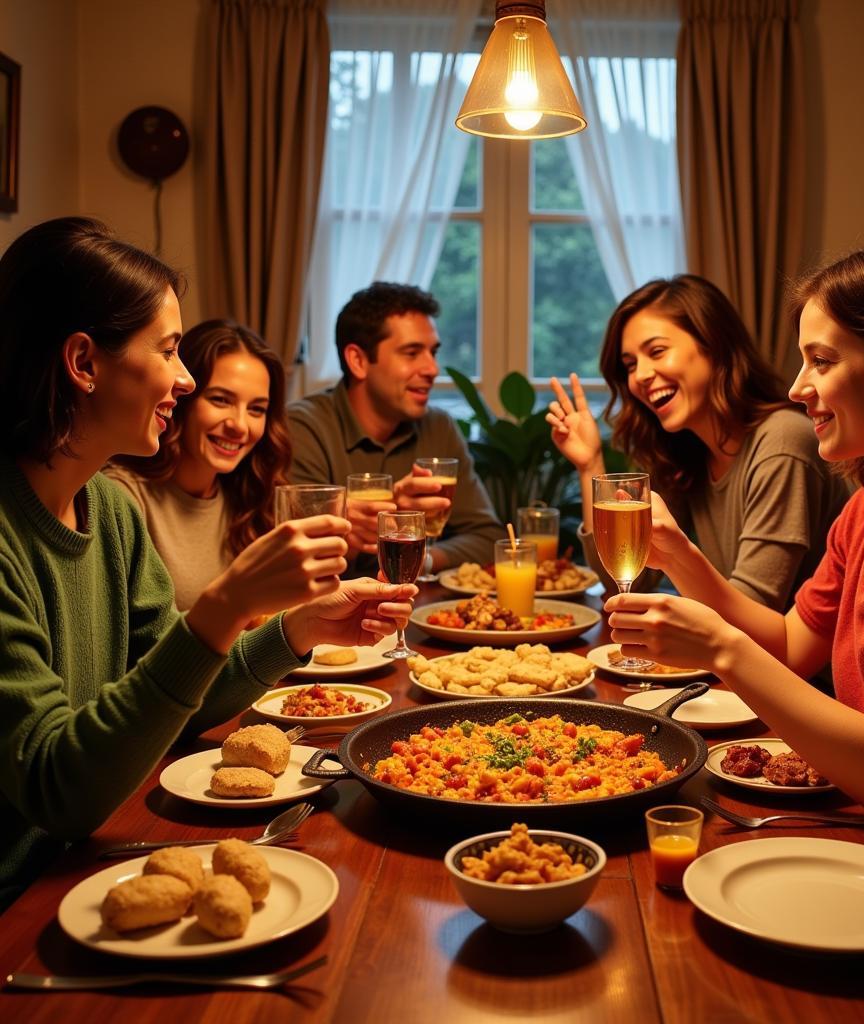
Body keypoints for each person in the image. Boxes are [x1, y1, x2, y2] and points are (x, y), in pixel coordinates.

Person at [605, 237, 864, 929]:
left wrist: (720, 651)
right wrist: (680, 557)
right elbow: (795, 644)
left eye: (821, 361)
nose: (798, 388)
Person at [0, 218, 414, 908]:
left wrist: (299, 630)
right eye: (168, 350)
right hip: (23, 897)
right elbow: (56, 791)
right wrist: (224, 605)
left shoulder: (108, 510)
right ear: (83, 363)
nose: (185, 379)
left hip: (102, 854)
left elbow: (179, 697)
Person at [547, 274, 849, 610]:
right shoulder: (690, 454)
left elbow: (753, 608)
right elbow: (630, 583)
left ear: (713, 344)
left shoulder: (783, 441)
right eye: (630, 365)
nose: (640, 376)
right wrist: (589, 465)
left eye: (657, 351)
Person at [288, 282, 504, 578]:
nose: (432, 369)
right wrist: (390, 518)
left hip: (417, 613)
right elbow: (302, 562)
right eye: (412, 353)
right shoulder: (303, 428)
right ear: (358, 361)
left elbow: (487, 537)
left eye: (433, 352)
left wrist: (419, 559)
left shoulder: (439, 427)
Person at [106, 319, 290, 611]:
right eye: (220, 400)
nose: (239, 426)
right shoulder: (124, 495)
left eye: (256, 409)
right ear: (181, 399)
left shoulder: (254, 496)